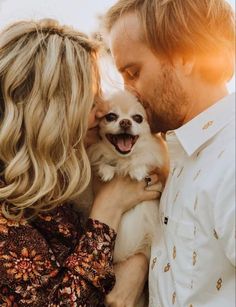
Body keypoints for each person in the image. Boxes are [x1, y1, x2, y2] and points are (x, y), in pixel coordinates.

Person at [0, 19, 161, 306]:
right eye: (90, 103)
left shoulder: (57, 180)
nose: (101, 113)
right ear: (48, 114)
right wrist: (107, 211)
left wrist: (137, 265)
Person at [104, 0, 235, 306]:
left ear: (186, 56)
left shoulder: (230, 158)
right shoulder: (175, 155)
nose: (128, 90)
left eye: (133, 72)